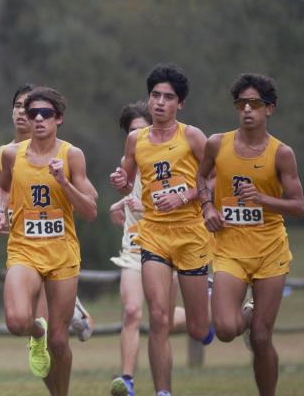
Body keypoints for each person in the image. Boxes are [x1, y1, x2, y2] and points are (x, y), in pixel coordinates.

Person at [195, 73, 304, 396]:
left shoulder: (281, 153)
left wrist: (262, 199)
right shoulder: (217, 143)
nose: (246, 109)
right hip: (229, 248)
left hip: (270, 250)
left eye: (254, 104)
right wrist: (207, 209)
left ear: (269, 109)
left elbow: (298, 206)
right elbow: (201, 179)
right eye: (241, 103)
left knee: (260, 337)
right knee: (227, 329)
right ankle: (246, 311)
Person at [109, 64, 213, 396]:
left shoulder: (193, 136)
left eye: (168, 97)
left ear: (179, 104)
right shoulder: (136, 139)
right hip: (153, 234)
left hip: (190, 235)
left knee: (198, 329)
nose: (160, 103)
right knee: (158, 317)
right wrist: (120, 181)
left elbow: (213, 180)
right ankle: (163, 392)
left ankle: (227, 310)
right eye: (155, 95)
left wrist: (184, 195)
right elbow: (126, 180)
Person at [0, 86, 98, 396]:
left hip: (62, 253)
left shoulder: (71, 155)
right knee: (16, 321)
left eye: (45, 114)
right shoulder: (11, 155)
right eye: (32, 113)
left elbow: (90, 210)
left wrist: (63, 181)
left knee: (60, 341)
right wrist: (0, 211)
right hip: (24, 248)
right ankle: (37, 331)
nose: (37, 119)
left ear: (58, 119)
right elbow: (5, 188)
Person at [108, 102, 188, 396]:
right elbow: (127, 192)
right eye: (133, 131)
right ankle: (126, 380)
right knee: (131, 311)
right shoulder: (128, 162)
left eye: (144, 130)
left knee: (161, 318)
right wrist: (117, 205)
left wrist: (148, 207)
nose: (139, 136)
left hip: (167, 247)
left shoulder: (172, 159)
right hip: (134, 247)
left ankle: (203, 316)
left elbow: (183, 203)